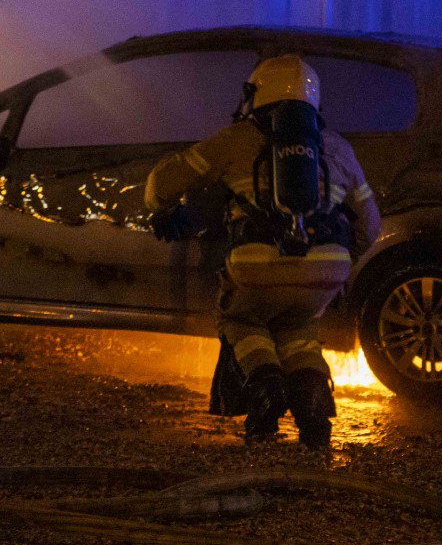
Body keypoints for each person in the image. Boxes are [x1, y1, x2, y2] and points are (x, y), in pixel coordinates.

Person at [144, 55, 383, 447]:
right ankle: (313, 411)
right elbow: (369, 225)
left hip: (257, 263)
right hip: (328, 265)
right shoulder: (338, 148)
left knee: (242, 321)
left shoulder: (236, 139)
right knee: (299, 328)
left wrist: (164, 210)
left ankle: (266, 389)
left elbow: (162, 183)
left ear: (256, 94)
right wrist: (337, 264)